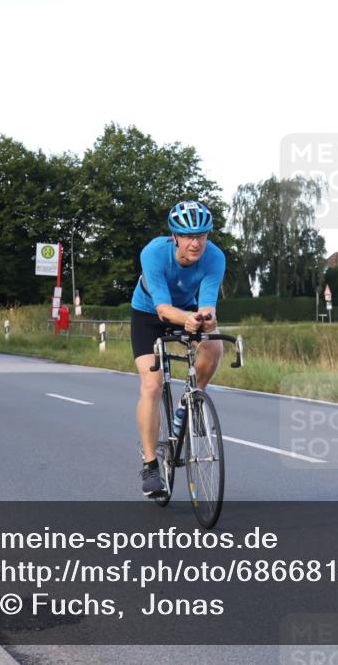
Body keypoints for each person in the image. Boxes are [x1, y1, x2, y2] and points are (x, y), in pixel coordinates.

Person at [131, 201, 225, 497]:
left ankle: (191, 403)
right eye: (188, 236)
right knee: (152, 384)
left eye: (202, 235)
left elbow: (207, 304)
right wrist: (186, 319)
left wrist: (206, 320)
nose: (195, 243)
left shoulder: (215, 257)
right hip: (148, 314)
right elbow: (161, 308)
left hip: (187, 309)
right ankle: (149, 465)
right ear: (175, 237)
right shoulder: (153, 253)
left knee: (215, 346)